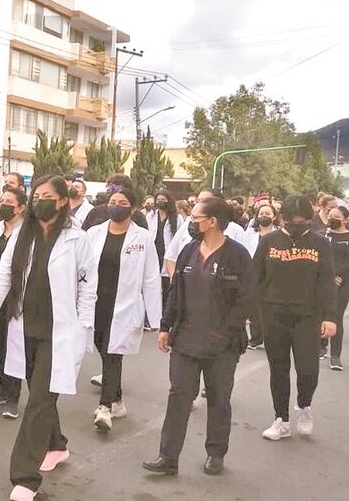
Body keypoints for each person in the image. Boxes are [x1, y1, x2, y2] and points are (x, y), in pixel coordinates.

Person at [0, 175, 96, 501]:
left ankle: (25, 478)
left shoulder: (78, 239)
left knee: (39, 400)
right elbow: (3, 275)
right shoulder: (23, 236)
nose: (39, 201)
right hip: (25, 327)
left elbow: (88, 287)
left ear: (61, 202)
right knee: (40, 393)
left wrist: (84, 328)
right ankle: (56, 445)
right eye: (36, 196)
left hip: (59, 333)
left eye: (46, 196)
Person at [144, 196, 256, 476]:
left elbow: (247, 299)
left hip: (223, 344)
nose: (191, 224)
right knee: (178, 396)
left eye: (195, 219)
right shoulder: (188, 251)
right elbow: (175, 293)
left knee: (219, 398)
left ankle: (215, 453)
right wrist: (166, 327)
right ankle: (167, 457)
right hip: (185, 340)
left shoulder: (238, 256)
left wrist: (227, 331)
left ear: (213, 222)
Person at [255, 195, 337, 441]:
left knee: (308, 370)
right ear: (284, 220)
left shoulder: (320, 244)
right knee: (278, 369)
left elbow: (327, 283)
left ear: (309, 221)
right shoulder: (269, 242)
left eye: (302, 222)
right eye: (292, 222)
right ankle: (281, 419)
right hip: (273, 315)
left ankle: (304, 405)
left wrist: (330, 317)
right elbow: (255, 279)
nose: (297, 225)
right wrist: (250, 313)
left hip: (307, 317)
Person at [86, 187, 162, 432]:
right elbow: (82, 270)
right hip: (96, 303)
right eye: (112, 201)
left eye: (122, 202)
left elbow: (151, 278)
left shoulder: (143, 238)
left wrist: (158, 319)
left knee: (113, 353)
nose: (116, 205)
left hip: (125, 305)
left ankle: (105, 407)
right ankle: (117, 400)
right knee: (102, 347)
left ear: (133, 207)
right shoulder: (94, 233)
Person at [0, 187, 27, 419]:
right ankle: (2, 386)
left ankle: (13, 396)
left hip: (16, 295)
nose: (4, 205)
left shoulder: (26, 233)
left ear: (21, 208)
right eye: (3, 201)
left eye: (10, 202)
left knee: (14, 346)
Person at [164, 189, 250, 278]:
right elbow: (171, 257)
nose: (199, 205)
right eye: (198, 201)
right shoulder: (189, 248)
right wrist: (176, 281)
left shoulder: (236, 240)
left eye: (204, 201)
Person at [320, 206, 349, 370]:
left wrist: (337, 275)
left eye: (336, 216)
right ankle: (321, 346)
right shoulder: (322, 235)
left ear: (345, 219)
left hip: (341, 282)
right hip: (323, 281)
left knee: (336, 317)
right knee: (320, 314)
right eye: (330, 216)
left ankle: (335, 356)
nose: (332, 219)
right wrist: (327, 276)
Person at [243, 203, 278, 349]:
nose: (264, 216)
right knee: (255, 306)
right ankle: (256, 337)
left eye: (267, 213)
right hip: (253, 274)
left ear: (274, 216)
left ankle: (271, 337)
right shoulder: (250, 233)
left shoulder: (279, 234)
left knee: (271, 308)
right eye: (261, 213)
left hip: (273, 276)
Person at [146, 189, 179, 303]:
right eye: (158, 200)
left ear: (168, 201)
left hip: (168, 253)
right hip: (154, 251)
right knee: (154, 281)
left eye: (163, 200)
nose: (160, 202)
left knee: (166, 283)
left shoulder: (176, 218)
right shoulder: (151, 216)